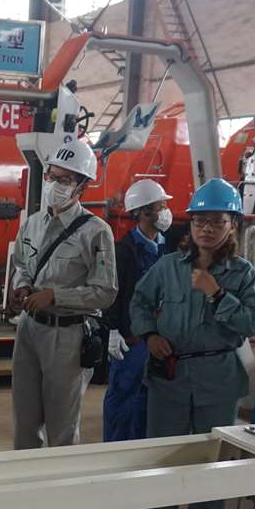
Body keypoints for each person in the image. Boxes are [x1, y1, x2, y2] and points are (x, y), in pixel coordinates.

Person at [130, 178, 255, 509]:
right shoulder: (168, 267)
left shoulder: (242, 274)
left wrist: (217, 294)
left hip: (217, 379)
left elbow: (251, 323)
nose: (207, 228)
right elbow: (140, 302)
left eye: (217, 221)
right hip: (170, 377)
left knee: (211, 463)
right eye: (200, 221)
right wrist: (150, 335)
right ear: (190, 224)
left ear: (232, 225)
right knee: (164, 457)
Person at [8, 135, 117, 509]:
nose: (55, 184)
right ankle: (25, 499)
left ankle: (56, 503)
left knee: (61, 427)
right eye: (53, 176)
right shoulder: (33, 223)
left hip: (67, 337)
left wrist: (57, 295)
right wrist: (21, 286)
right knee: (25, 424)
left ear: (82, 186)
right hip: (29, 332)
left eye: (66, 179)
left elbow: (106, 291)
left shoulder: (96, 232)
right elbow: (22, 265)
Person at [103, 179, 173, 442]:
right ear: (143, 212)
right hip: (130, 339)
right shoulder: (124, 251)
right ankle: (115, 449)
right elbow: (113, 292)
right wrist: (112, 329)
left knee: (148, 399)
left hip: (159, 338)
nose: (166, 212)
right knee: (124, 395)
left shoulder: (168, 248)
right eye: (160, 206)